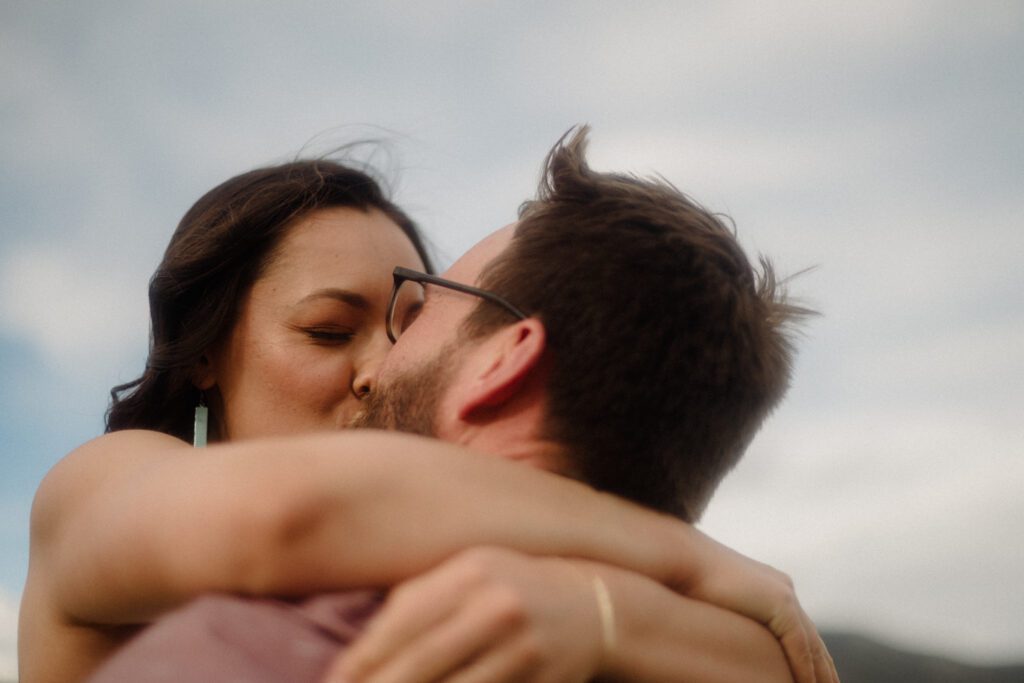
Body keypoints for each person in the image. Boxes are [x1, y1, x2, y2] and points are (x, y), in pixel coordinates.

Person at [20, 134, 833, 683]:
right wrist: (685, 555)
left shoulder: (485, 551)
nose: (376, 366)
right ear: (204, 352)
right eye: (328, 329)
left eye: (405, 323)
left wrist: (603, 613)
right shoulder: (107, 480)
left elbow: (783, 661)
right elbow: (283, 514)